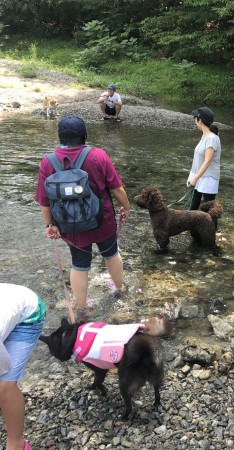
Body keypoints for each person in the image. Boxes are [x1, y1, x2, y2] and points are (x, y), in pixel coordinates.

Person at [35, 115, 131, 318]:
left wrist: (50, 225)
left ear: (60, 136)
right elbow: (117, 188)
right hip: (101, 220)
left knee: (79, 263)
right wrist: (126, 207)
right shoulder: (98, 155)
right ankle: (119, 289)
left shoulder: (47, 162)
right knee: (111, 254)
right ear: (84, 135)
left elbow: (44, 200)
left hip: (70, 225)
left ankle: (81, 308)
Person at [0, 284, 46, 450]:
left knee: (4, 386)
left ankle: (17, 443)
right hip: (8, 305)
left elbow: (4, 367)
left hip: (29, 313)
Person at [187, 107, 221, 210]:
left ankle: (212, 227)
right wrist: (191, 177)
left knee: (209, 212)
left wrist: (195, 179)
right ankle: (191, 226)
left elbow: (207, 161)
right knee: (193, 208)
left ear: (199, 120)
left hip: (208, 179)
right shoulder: (205, 136)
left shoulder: (211, 138)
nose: (194, 121)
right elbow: (198, 161)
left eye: (195, 118)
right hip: (199, 177)